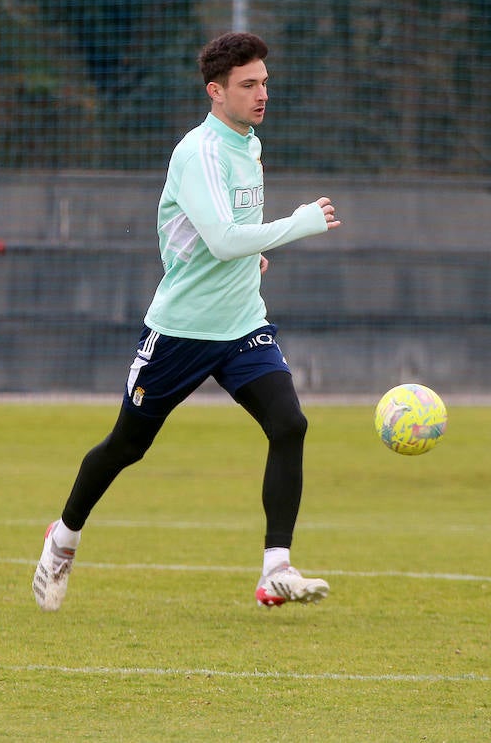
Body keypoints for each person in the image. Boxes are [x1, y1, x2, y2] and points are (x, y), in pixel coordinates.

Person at [32, 32, 341, 610]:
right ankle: (63, 538)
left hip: (243, 323)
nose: (261, 94)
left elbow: (226, 234)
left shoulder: (248, 144)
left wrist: (255, 253)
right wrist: (299, 223)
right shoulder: (196, 152)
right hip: (182, 330)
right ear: (216, 91)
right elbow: (222, 240)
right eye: (248, 85)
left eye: (265, 82)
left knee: (289, 424)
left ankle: (276, 568)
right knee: (127, 445)